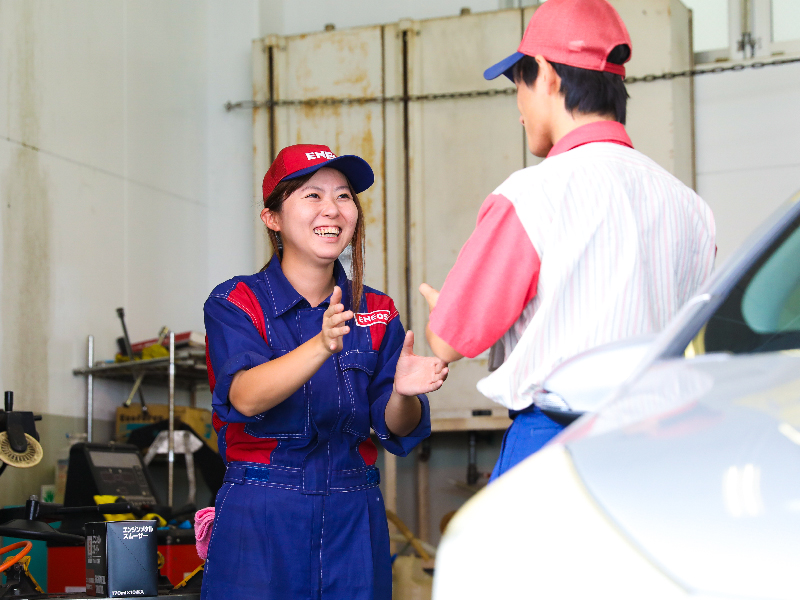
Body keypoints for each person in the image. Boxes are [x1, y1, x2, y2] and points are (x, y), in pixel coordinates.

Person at [419, 0, 716, 480]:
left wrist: (444, 314)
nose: (519, 111)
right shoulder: (691, 208)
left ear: (546, 75)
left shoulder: (533, 195)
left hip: (556, 444)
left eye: (519, 85)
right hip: (661, 450)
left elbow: (451, 341)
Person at [201, 144, 447, 600]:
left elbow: (396, 425)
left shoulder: (377, 310)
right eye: (312, 195)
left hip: (353, 509)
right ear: (272, 218)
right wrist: (320, 345)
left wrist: (404, 394)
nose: (332, 209)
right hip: (264, 507)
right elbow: (245, 397)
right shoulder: (236, 301)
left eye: (344, 196)